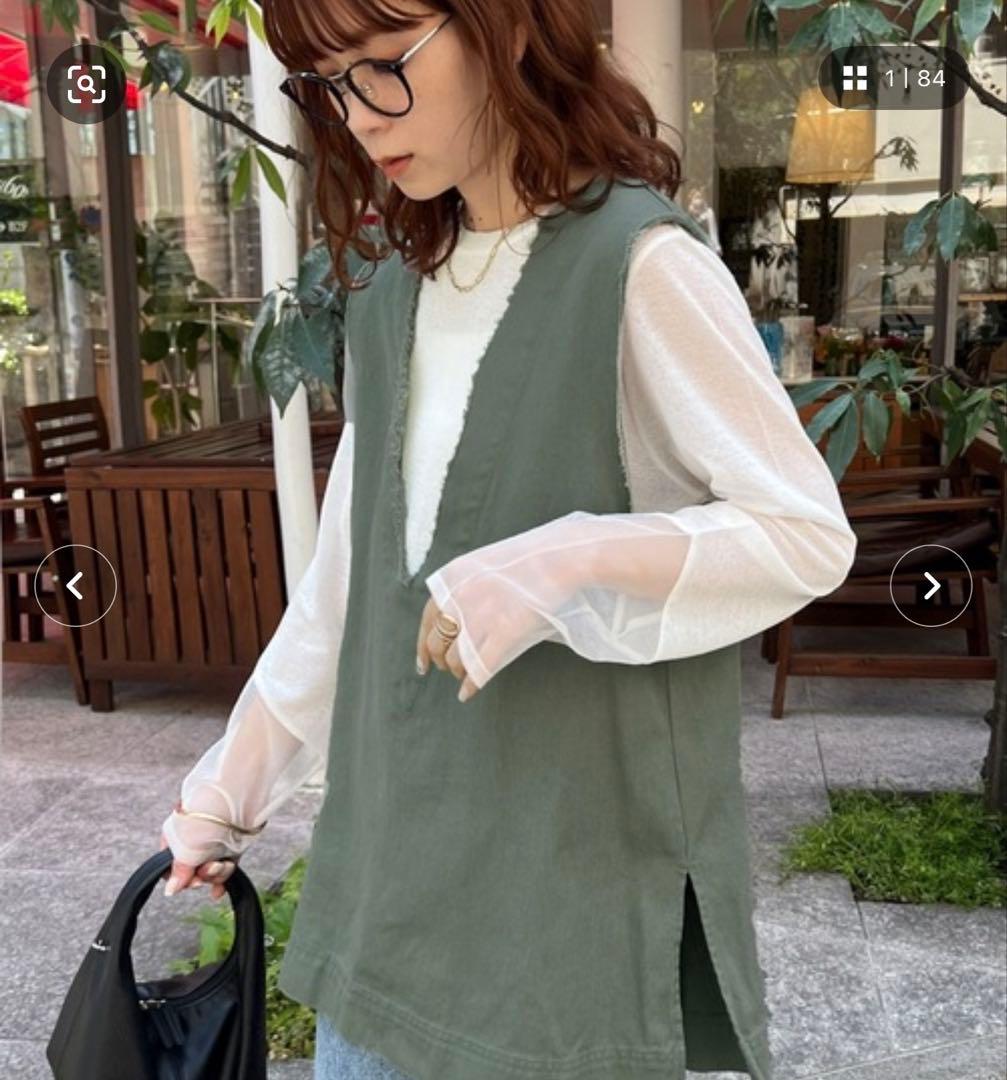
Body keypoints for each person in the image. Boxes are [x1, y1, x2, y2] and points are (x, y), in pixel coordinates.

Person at [159, 2, 858, 1078]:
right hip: (386, 898)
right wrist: (224, 797)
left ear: (506, 29)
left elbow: (800, 532)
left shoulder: (638, 266)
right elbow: (345, 598)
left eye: (382, 63)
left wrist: (565, 559)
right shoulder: (391, 296)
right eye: (330, 85)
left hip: (561, 908)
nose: (360, 116)